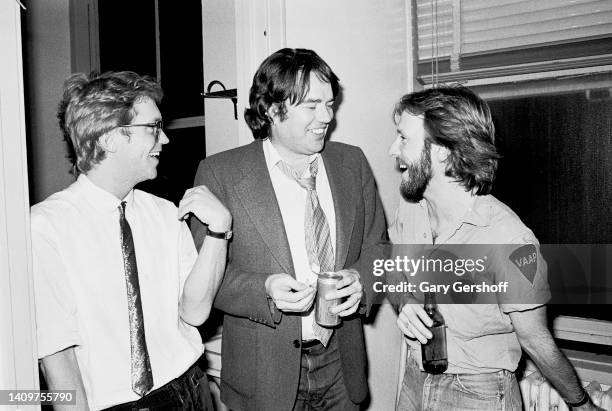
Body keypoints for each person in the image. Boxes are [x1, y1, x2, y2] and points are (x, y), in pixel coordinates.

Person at [191, 48, 387, 411]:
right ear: (272, 109)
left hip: (342, 366)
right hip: (263, 373)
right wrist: (263, 289)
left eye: (330, 104)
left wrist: (362, 281)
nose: (326, 117)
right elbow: (204, 280)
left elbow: (379, 246)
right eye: (311, 106)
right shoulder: (221, 174)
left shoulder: (352, 162)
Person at [387, 86, 602, 410]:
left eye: (403, 138)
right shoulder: (411, 206)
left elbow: (536, 341)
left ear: (443, 150)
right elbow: (393, 273)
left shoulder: (512, 242)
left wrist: (581, 403)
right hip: (415, 380)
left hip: (478, 393)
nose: (393, 149)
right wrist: (404, 302)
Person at [31, 71, 232, 410]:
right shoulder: (45, 228)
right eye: (152, 127)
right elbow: (58, 363)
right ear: (109, 137)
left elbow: (195, 313)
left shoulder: (166, 213)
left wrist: (218, 231)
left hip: (190, 389)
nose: (165, 139)